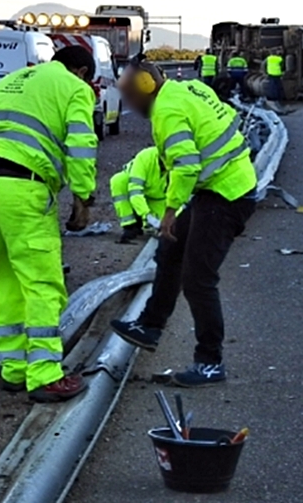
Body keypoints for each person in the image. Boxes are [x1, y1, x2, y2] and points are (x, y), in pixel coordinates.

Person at [111, 60, 257, 387]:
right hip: (218, 187)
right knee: (170, 250)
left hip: (228, 194)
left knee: (198, 280)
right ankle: (150, 325)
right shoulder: (188, 87)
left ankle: (209, 362)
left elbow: (187, 165)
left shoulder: (166, 112)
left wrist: (170, 210)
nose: (130, 106)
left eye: (131, 97)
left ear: (147, 88)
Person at [0, 45, 99, 403]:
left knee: (2, 275)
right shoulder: (75, 88)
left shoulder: (12, 80)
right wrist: (84, 196)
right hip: (23, 186)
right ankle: (44, 374)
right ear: (82, 71)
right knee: (42, 280)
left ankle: (14, 368)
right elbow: (82, 146)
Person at [110, 146, 166, 244]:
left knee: (170, 228)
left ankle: (144, 223)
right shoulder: (145, 157)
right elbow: (135, 191)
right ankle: (130, 225)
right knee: (118, 181)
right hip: (136, 191)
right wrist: (146, 215)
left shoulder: (179, 164)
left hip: (158, 197)